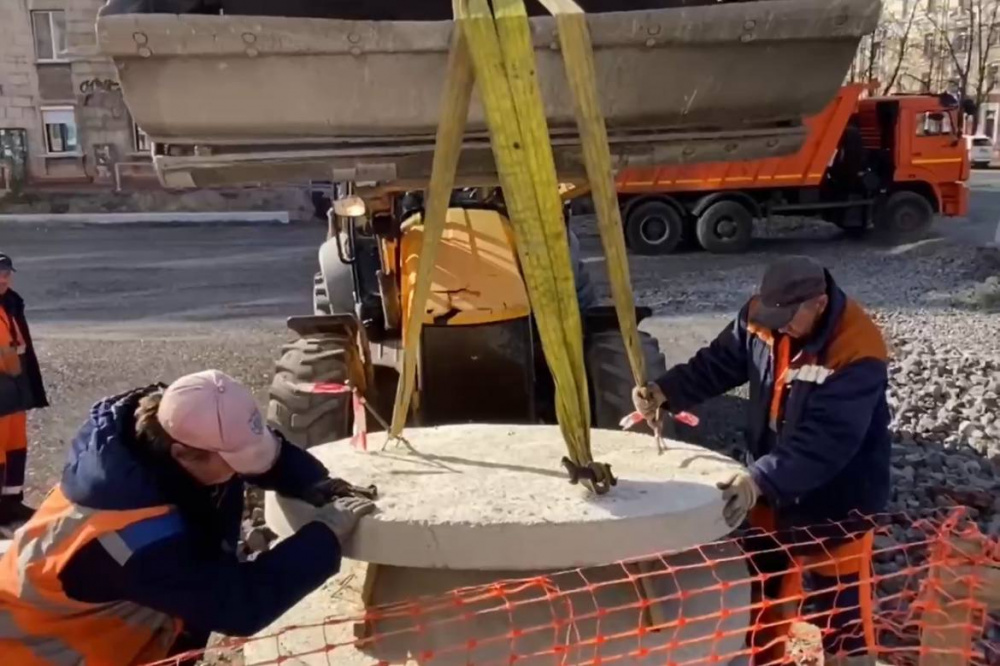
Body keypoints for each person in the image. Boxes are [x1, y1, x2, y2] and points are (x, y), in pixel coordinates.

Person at [0, 369, 376, 665]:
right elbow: (239, 606)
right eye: (234, 463)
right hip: (39, 652)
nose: (241, 471)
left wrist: (313, 481)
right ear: (182, 454)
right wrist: (325, 535)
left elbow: (257, 452)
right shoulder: (134, 540)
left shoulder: (160, 429)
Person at [632, 256, 890, 666]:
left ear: (819, 304)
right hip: (769, 491)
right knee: (764, 595)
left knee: (840, 612)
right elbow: (719, 363)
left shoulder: (856, 349)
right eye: (773, 314)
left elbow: (827, 442)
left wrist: (758, 480)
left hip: (836, 503)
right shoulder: (762, 317)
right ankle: (764, 660)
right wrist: (666, 391)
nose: (779, 325)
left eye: (789, 317)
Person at [0, 252, 48, 533]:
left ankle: (11, 503)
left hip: (13, 387)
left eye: (7, 273)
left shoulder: (11, 303)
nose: (4, 278)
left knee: (16, 444)